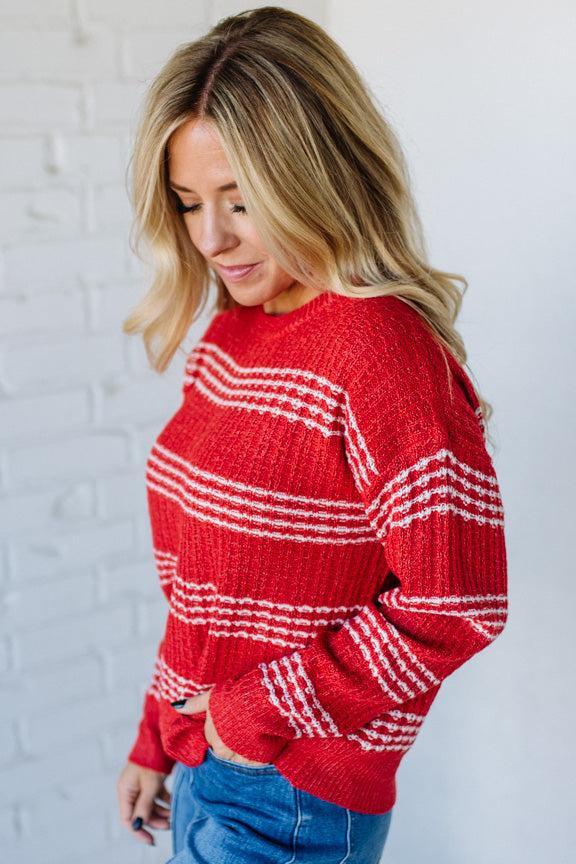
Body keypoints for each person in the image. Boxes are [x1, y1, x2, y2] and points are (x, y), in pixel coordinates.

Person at [115, 6, 508, 862]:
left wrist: (249, 717)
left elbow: (458, 603)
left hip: (293, 798)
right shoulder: (233, 335)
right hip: (208, 769)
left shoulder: (382, 351)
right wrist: (158, 732)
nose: (211, 239)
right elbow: (208, 583)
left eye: (241, 201)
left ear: (316, 176)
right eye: (188, 204)